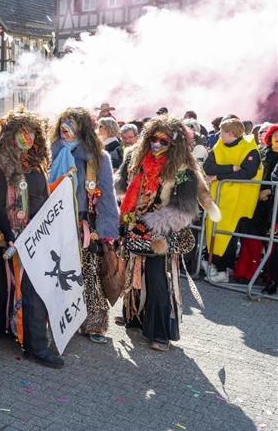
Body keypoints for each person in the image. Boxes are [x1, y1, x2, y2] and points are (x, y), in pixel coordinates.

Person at [118, 117, 220, 351]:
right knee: (133, 274)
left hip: (161, 232)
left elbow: (184, 208)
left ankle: (159, 333)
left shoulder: (183, 167)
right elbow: (123, 184)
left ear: (175, 142)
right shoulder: (136, 158)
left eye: (163, 140)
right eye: (153, 139)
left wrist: (154, 223)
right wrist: (126, 209)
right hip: (135, 226)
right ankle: (134, 317)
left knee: (157, 279)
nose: (156, 144)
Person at [0, 109, 62, 367]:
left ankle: (32, 340)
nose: (27, 138)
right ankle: (36, 347)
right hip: (20, 235)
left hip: (41, 233)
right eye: (22, 132)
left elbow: (42, 195)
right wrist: (10, 236)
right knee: (29, 290)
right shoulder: (2, 163)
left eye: (31, 133)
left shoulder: (38, 162)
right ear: (12, 134)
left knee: (34, 289)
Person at [48, 108, 119, 344]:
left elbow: (107, 194)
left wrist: (106, 228)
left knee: (89, 273)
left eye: (72, 123)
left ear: (83, 128)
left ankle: (94, 324)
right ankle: (61, 319)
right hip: (55, 220)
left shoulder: (97, 157)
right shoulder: (52, 153)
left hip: (83, 222)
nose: (65, 128)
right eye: (63, 122)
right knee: (58, 270)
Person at [203, 117, 263, 283]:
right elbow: (207, 167)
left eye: (221, 131)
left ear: (230, 133)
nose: (219, 134)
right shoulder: (219, 145)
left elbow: (247, 172)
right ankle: (216, 267)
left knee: (229, 236)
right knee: (215, 232)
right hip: (219, 198)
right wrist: (231, 168)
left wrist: (218, 176)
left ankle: (224, 270)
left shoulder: (249, 149)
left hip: (240, 200)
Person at [233, 123, 278, 287]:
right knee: (251, 240)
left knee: (271, 244)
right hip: (255, 203)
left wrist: (271, 192)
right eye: (275, 135)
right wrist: (257, 194)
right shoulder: (261, 154)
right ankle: (244, 273)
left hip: (273, 206)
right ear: (269, 137)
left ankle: (269, 276)